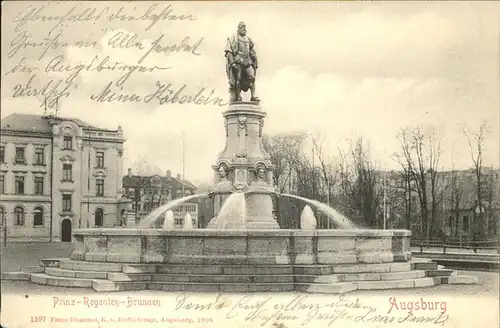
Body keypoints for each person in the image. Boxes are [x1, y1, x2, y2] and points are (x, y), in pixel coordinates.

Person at [225, 22, 259, 102]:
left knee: (252, 77)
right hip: (238, 60)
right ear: (238, 29)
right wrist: (232, 62)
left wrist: (253, 55)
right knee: (238, 78)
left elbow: (251, 49)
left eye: (244, 27)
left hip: (247, 61)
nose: (244, 29)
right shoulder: (234, 37)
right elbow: (228, 51)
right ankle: (238, 96)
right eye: (242, 27)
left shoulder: (247, 39)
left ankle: (253, 96)